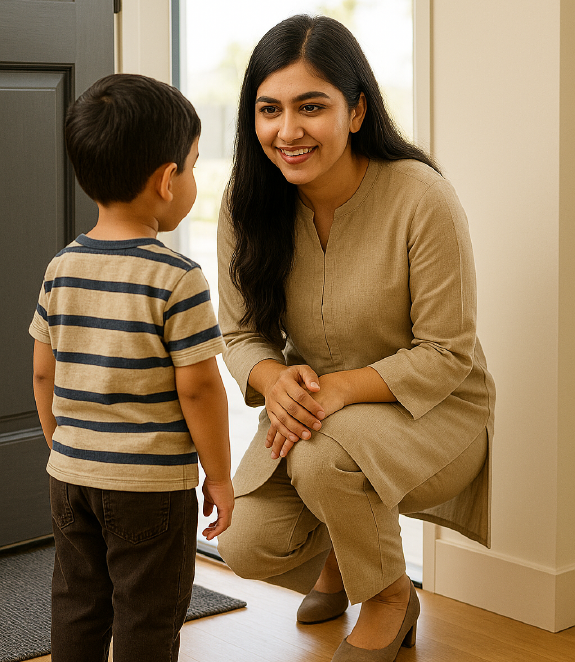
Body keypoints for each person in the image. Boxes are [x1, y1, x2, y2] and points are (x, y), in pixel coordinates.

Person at [216, 14, 495, 662]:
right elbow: (240, 333)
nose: (287, 131)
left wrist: (341, 388)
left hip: (436, 410)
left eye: (310, 107)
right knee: (245, 545)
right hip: (318, 408)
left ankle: (389, 598)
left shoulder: (421, 197)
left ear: (355, 109)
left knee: (323, 459)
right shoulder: (246, 202)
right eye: (269, 109)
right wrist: (270, 378)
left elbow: (447, 352)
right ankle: (349, 555)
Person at [29, 73, 234, 662]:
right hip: (150, 488)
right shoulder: (178, 278)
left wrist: (60, 442)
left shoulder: (61, 267)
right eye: (193, 166)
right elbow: (200, 389)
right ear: (168, 181)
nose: (194, 179)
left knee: (77, 604)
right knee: (147, 613)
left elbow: (45, 372)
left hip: (70, 475)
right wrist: (217, 476)